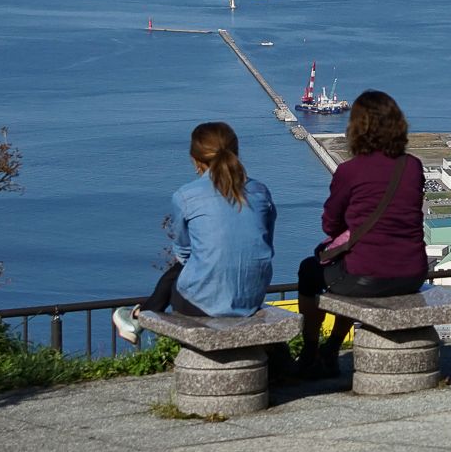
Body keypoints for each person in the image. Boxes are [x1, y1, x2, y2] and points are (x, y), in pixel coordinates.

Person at [298, 89, 428, 379]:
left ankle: (309, 351)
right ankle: (331, 349)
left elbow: (330, 225)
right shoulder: (413, 166)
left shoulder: (350, 171)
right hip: (413, 274)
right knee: (349, 270)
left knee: (311, 271)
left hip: (365, 277)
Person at [113, 121, 276, 343]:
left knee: (178, 273)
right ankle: (138, 317)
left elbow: (184, 252)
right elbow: (266, 242)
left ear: (195, 159)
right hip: (251, 296)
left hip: (200, 302)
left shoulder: (186, 196)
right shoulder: (260, 191)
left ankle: (138, 317)